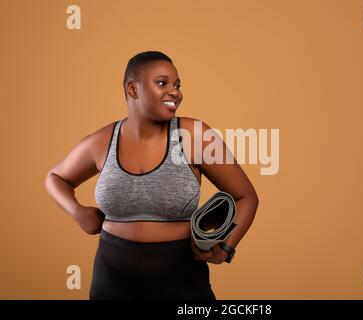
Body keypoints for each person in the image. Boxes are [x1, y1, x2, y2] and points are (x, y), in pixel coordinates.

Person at [44, 51, 259, 300]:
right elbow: (55, 177)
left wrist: (225, 248)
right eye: (162, 83)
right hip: (111, 282)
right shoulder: (103, 141)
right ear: (133, 89)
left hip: (182, 282)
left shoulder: (194, 135)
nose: (175, 92)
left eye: (177, 85)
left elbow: (246, 197)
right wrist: (79, 213)